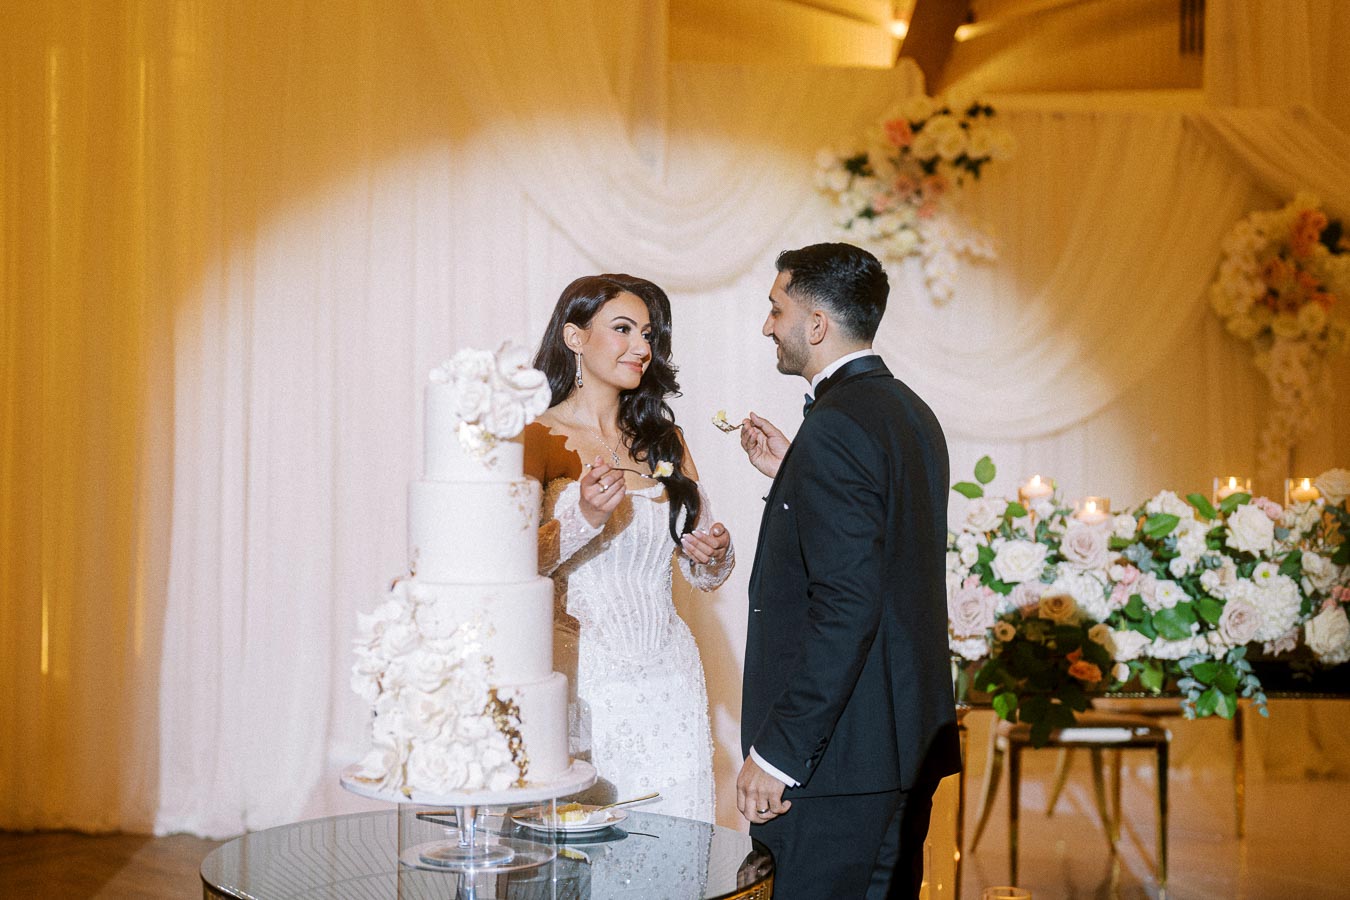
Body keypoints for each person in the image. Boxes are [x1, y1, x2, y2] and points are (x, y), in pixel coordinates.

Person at [735, 243, 961, 898]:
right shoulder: (910, 413)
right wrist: (794, 473)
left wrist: (778, 753)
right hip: (897, 749)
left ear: (815, 324)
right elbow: (886, 549)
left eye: (776, 309)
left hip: (838, 764)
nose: (767, 326)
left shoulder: (835, 427)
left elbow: (847, 606)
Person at [524, 273, 734, 823]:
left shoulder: (666, 440)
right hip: (587, 677)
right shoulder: (535, 437)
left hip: (672, 674)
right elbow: (511, 566)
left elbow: (703, 570)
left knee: (677, 843)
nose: (642, 347)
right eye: (622, 329)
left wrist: (712, 553)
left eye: (647, 334)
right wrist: (585, 518)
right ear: (574, 337)